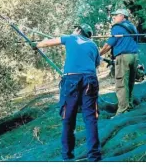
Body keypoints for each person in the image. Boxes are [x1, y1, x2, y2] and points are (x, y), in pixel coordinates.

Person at [33, 24, 101, 162]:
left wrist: (36, 45)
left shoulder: (71, 38)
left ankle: (67, 157)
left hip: (71, 80)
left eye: (75, 28)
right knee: (90, 119)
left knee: (68, 119)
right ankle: (94, 157)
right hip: (90, 80)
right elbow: (96, 64)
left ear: (78, 30)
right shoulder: (93, 45)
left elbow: (48, 43)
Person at [99, 9, 138, 115]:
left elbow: (108, 45)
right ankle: (129, 106)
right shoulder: (133, 27)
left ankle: (122, 111)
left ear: (122, 16)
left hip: (123, 57)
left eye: (115, 16)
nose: (114, 18)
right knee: (130, 82)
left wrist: (98, 54)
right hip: (134, 57)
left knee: (121, 84)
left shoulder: (117, 27)